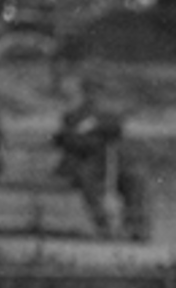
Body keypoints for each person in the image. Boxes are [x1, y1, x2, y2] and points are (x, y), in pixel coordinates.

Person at [51, 70, 149, 241]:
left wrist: (92, 130)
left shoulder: (95, 111)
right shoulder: (70, 115)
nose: (73, 98)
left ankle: (135, 226)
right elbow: (68, 140)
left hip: (106, 163)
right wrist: (92, 136)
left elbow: (115, 127)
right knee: (88, 179)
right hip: (82, 163)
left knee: (134, 178)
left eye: (76, 93)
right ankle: (104, 226)